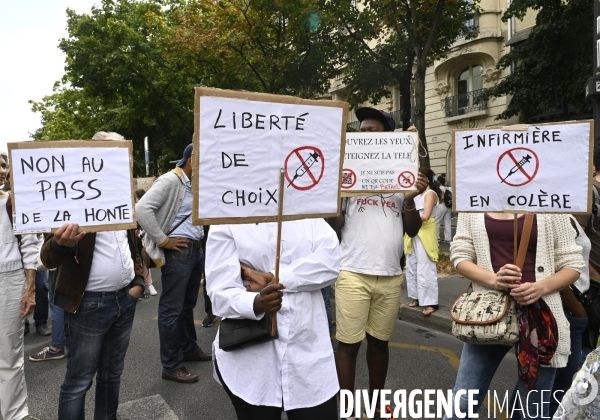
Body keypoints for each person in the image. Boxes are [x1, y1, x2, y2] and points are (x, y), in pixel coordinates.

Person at [327, 107, 427, 419]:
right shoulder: (347, 172)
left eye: (373, 130)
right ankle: (345, 407)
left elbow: (412, 229)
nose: (365, 135)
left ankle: (375, 406)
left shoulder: (404, 175)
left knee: (379, 344)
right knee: (348, 345)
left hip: (390, 274)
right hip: (353, 270)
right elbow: (336, 224)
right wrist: (333, 196)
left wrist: (410, 197)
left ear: (388, 137)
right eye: (362, 130)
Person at [40, 131, 146, 420]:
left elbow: (133, 243)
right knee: (78, 382)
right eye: (111, 153)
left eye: (124, 153)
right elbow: (47, 257)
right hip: (88, 305)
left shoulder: (123, 197)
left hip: (124, 300)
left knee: (112, 375)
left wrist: (137, 282)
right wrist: (61, 243)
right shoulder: (70, 196)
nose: (120, 159)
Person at [444, 212, 584, 419]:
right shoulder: (475, 198)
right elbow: (460, 254)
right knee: (463, 402)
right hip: (487, 314)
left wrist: (540, 288)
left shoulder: (550, 203)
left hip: (541, 318)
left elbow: (572, 263)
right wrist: (493, 280)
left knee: (533, 410)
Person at [205, 218, 340, 419]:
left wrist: (274, 277)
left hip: (308, 354)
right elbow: (219, 293)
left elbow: (331, 264)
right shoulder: (228, 217)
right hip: (252, 362)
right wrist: (256, 303)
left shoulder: (307, 213)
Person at [136, 143, 211, 384]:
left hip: (194, 250)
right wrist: (163, 240)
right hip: (180, 252)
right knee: (171, 309)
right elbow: (142, 209)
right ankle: (171, 365)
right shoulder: (171, 180)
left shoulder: (192, 184)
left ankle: (188, 348)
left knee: (187, 306)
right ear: (191, 160)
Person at [0, 151, 38, 420]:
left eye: (3, 165)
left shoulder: (13, 202)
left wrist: (29, 289)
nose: (2, 170)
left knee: (10, 356)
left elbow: (29, 243)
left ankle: (14, 415)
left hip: (10, 281)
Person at [549, 215, 590, 416]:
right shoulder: (563, 219)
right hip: (565, 311)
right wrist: (578, 310)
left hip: (567, 310)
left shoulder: (567, 216)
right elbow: (552, 268)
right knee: (557, 387)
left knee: (539, 384)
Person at [405, 167, 441, 316]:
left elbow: (425, 216)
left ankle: (431, 302)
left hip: (425, 232)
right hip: (412, 233)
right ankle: (417, 297)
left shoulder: (430, 193)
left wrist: (408, 219)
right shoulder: (412, 194)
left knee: (425, 267)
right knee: (412, 266)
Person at [134, 189, 157, 296]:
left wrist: (141, 234)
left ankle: (149, 284)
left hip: (142, 238)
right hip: (134, 238)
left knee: (143, 261)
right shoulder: (133, 208)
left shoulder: (146, 207)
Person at [435, 174, 452, 243]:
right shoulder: (448, 188)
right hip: (448, 206)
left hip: (442, 206)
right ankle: (448, 239)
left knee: (436, 222)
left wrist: (438, 202)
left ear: (438, 181)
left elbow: (442, 197)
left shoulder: (441, 188)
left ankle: (437, 238)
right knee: (447, 222)